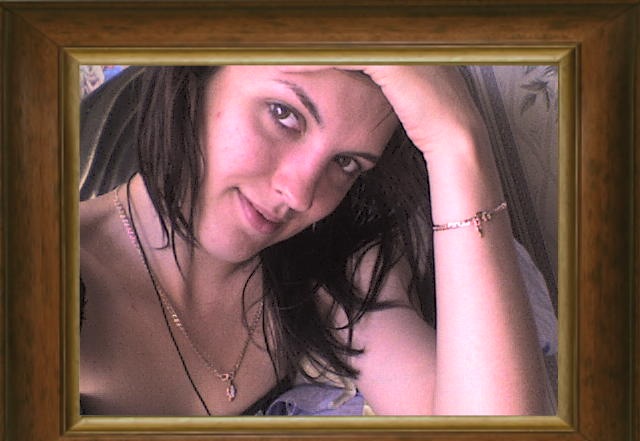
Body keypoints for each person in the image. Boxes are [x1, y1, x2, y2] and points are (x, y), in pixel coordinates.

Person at [80, 65, 555, 416]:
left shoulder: (335, 265)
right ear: (196, 77)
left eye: (346, 163)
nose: (300, 194)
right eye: (284, 115)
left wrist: (457, 142)